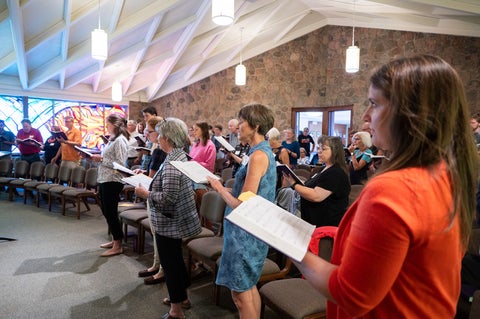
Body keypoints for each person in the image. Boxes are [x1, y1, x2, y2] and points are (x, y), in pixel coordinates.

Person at [294, 55, 477, 318]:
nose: (366, 117)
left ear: (412, 114)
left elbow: (351, 294)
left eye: (374, 104)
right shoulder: (446, 172)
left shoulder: (395, 189)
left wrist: (292, 248)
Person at [207, 103, 276, 318]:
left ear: (255, 126)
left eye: (242, 122)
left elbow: (244, 205)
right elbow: (247, 192)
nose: (238, 127)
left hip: (246, 232)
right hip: (249, 229)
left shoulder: (258, 156)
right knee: (248, 287)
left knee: (240, 293)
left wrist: (218, 188)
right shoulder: (259, 151)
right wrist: (226, 187)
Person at [135, 118, 201, 319]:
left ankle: (176, 310)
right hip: (175, 221)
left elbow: (168, 199)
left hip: (169, 223)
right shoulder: (178, 156)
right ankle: (183, 298)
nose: (159, 139)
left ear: (168, 138)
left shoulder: (172, 163)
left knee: (171, 265)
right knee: (177, 262)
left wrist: (146, 194)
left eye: (161, 135)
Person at [283, 136, 350, 227]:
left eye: (324, 149)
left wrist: (294, 184)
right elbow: (312, 185)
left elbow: (316, 196)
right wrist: (300, 182)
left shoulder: (336, 172)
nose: (319, 151)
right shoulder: (323, 168)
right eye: (318, 148)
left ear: (335, 151)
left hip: (325, 224)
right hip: (311, 221)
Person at [89, 114, 130, 257]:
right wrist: (100, 159)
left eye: (108, 124)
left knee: (111, 212)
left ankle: (118, 245)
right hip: (105, 178)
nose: (106, 126)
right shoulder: (112, 140)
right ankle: (115, 239)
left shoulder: (120, 140)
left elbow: (119, 164)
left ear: (115, 124)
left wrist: (100, 159)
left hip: (113, 180)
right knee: (106, 211)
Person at [135, 116, 168, 285]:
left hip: (155, 196)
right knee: (156, 233)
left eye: (149, 131)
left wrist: (143, 179)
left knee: (158, 233)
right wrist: (143, 171)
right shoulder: (156, 148)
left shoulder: (160, 151)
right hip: (154, 193)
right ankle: (156, 264)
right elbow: (151, 173)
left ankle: (161, 268)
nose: (146, 134)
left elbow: (153, 177)